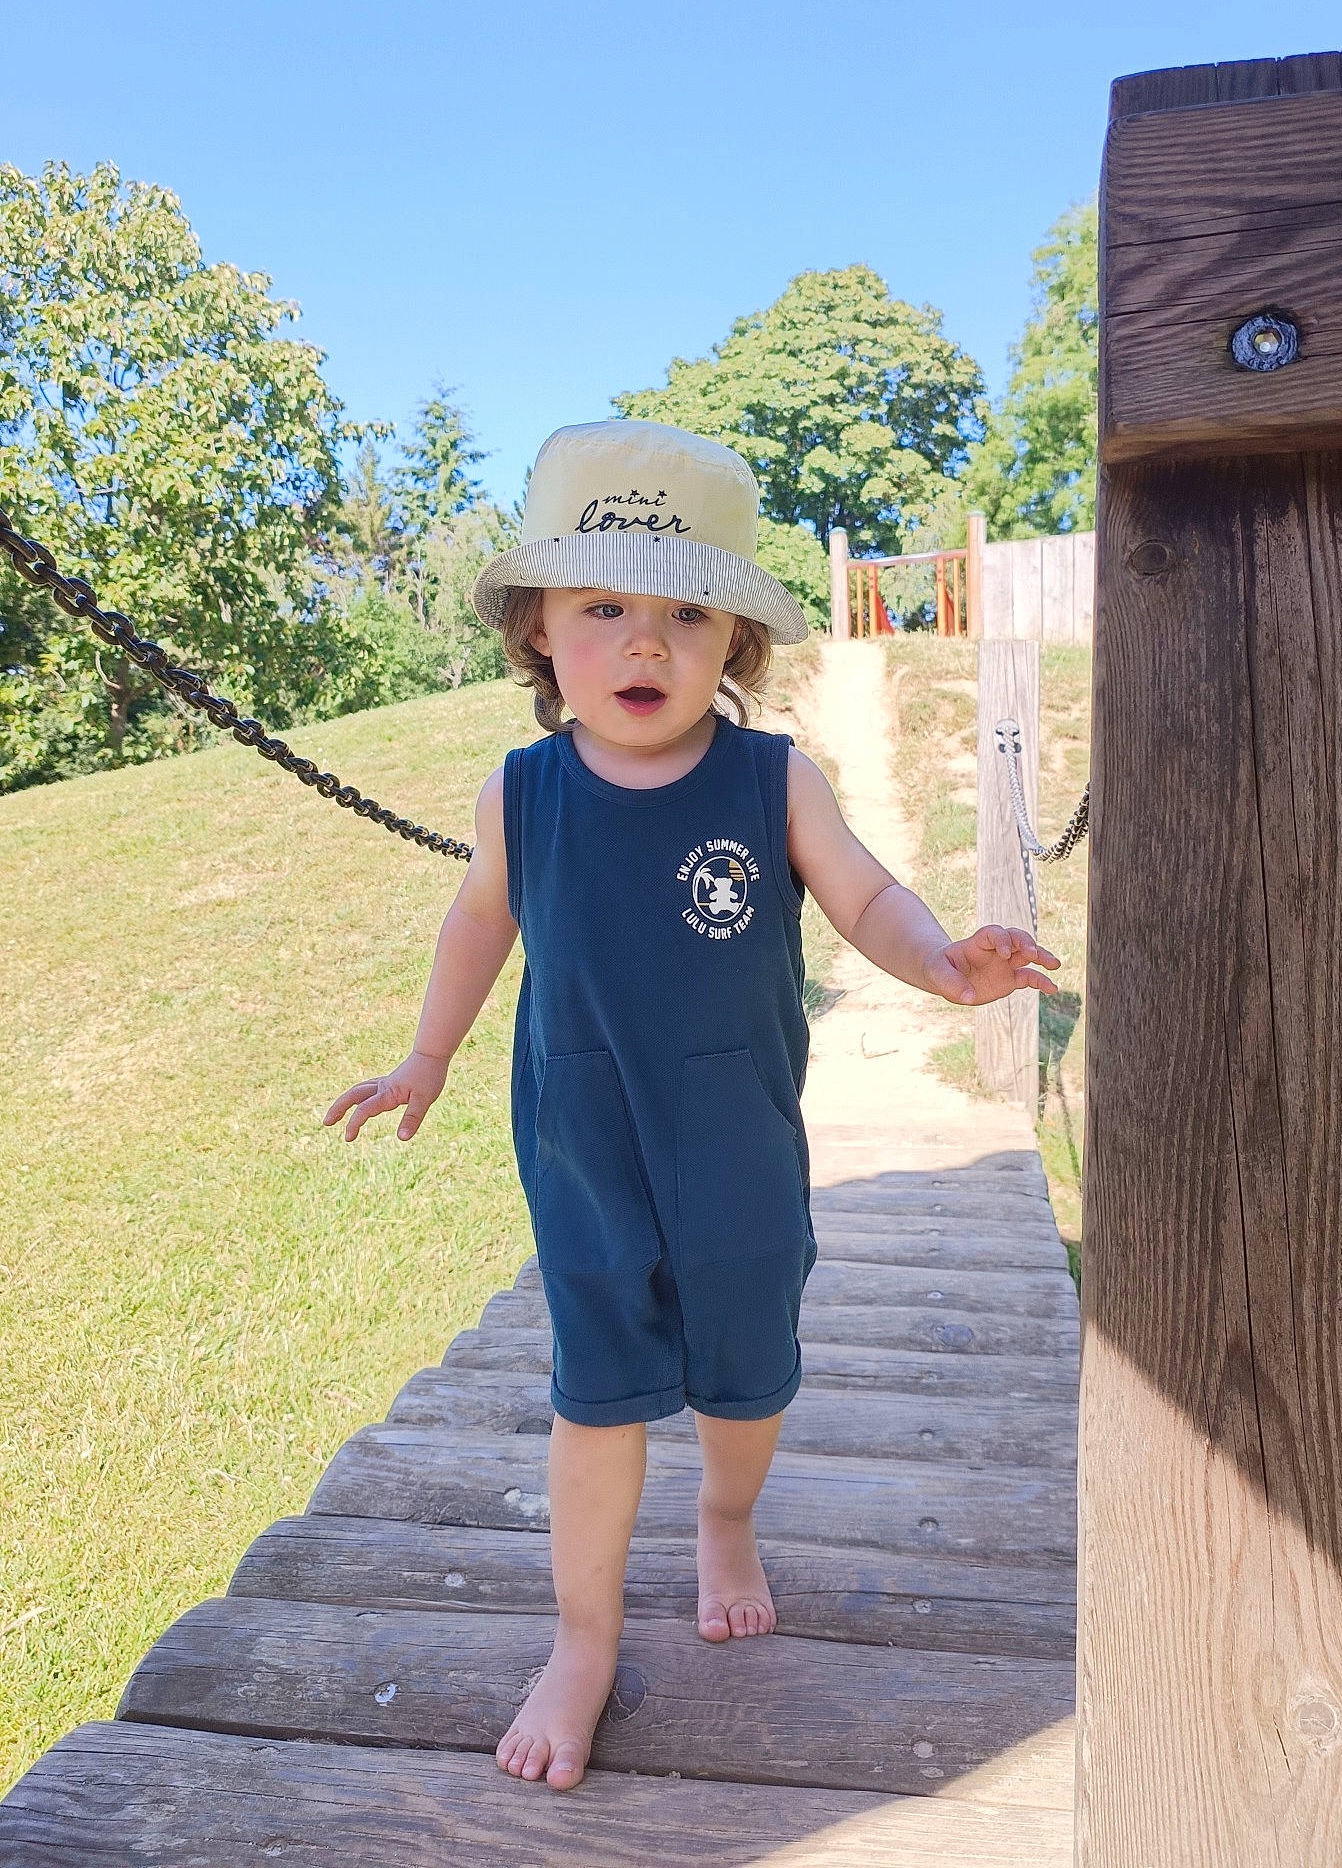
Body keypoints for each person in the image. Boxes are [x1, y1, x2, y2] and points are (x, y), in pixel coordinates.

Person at [323, 418, 1060, 1792]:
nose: (645, 644)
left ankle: (726, 1518)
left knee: (744, 1367)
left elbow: (865, 894)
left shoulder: (769, 777)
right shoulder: (520, 792)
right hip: (582, 1142)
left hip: (739, 1145)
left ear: (737, 645)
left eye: (685, 613)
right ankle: (584, 1636)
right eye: (605, 607)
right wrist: (427, 1056)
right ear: (540, 629)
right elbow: (478, 924)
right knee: (597, 1394)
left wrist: (942, 962)